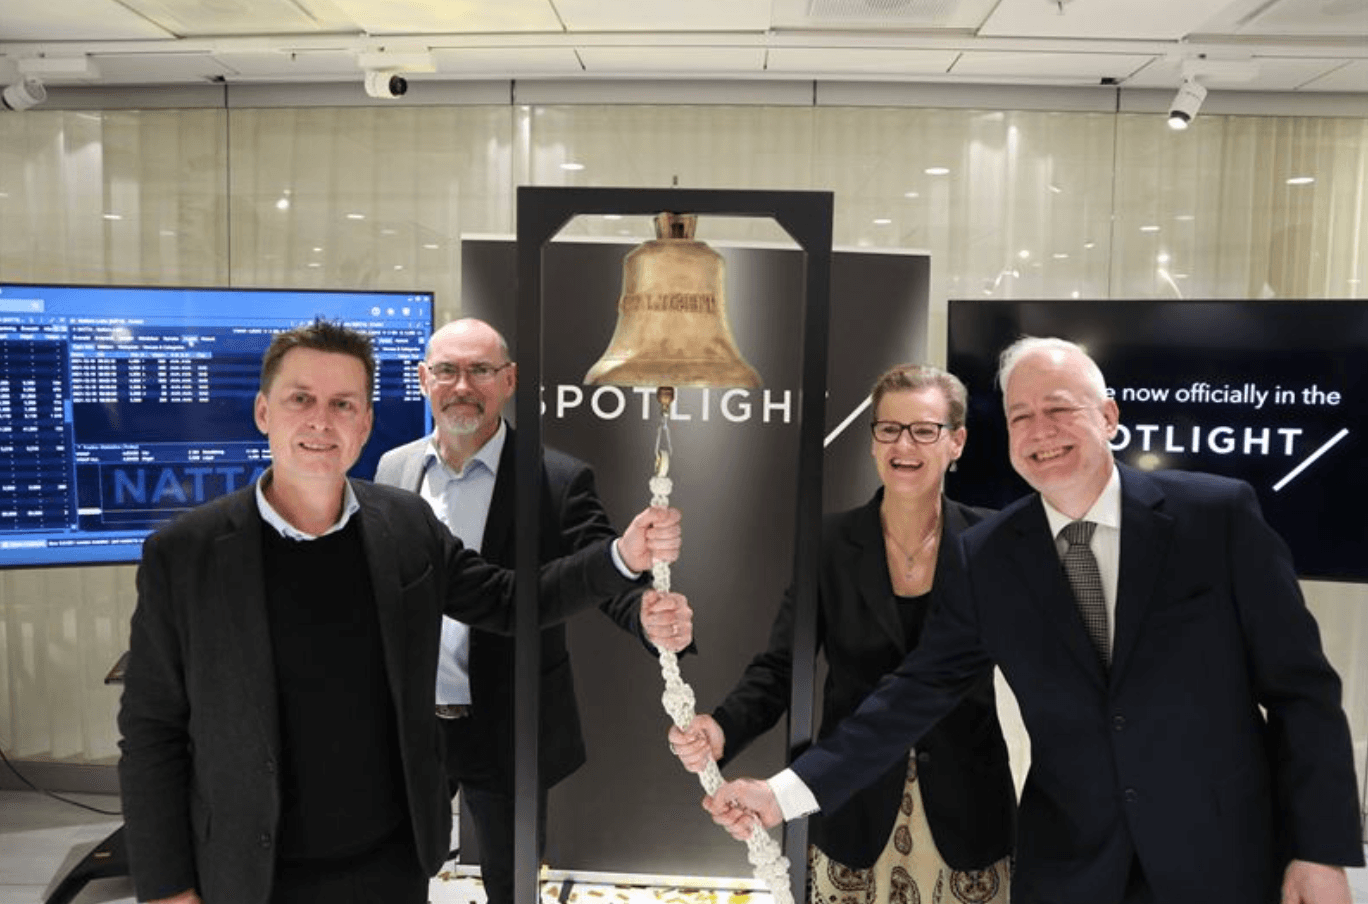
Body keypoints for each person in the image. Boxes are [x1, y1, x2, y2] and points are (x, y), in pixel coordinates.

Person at [705, 336, 1362, 904]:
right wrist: (783, 793)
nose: (1040, 430)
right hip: (1071, 869)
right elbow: (913, 693)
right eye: (1021, 416)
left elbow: (1300, 691)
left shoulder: (1216, 517)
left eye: (1059, 409)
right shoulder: (988, 556)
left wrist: (1320, 849)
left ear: (1108, 416)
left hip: (1220, 858)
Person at [116, 319, 682, 904]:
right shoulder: (185, 555)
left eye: (342, 404)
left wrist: (621, 557)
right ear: (263, 412)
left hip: (390, 866)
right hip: (253, 876)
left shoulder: (405, 525)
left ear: (365, 422)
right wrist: (166, 887)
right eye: (300, 399)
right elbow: (152, 733)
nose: (321, 421)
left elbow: (508, 600)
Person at [374, 317, 693, 904]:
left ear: (509, 380)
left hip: (508, 724)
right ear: (423, 379)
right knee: (397, 871)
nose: (462, 386)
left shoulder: (556, 477)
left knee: (512, 883)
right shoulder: (394, 470)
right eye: (447, 370)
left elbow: (601, 570)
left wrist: (645, 615)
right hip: (411, 723)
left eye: (480, 370)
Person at [668, 364, 1014, 901]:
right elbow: (782, 666)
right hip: (850, 804)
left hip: (969, 807)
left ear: (957, 442)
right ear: (873, 441)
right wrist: (724, 728)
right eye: (889, 428)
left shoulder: (992, 543)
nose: (904, 445)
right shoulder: (827, 544)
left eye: (924, 430)